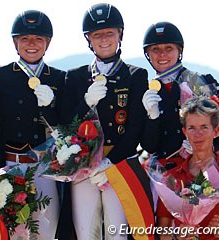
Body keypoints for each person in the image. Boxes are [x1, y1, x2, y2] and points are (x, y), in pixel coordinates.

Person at [60, 3, 156, 239]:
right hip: (83, 167)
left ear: (119, 34)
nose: (104, 39)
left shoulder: (136, 75)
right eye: (97, 35)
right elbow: (63, 123)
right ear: (89, 39)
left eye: (109, 33)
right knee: (86, 233)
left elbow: (134, 128)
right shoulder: (74, 77)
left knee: (117, 233)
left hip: (120, 164)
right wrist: (85, 103)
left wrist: (109, 163)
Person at [0, 10, 65, 240]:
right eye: (25, 39)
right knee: (11, 234)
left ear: (47, 43)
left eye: (38, 39)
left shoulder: (59, 78)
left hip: (45, 170)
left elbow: (65, 131)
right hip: (8, 166)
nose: (31, 44)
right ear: (15, 42)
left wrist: (51, 107)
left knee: (45, 232)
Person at [142, 21, 219, 168]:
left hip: (204, 168)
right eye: (155, 49)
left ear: (179, 51)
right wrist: (152, 118)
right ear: (148, 54)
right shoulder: (146, 92)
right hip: (164, 172)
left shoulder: (203, 82)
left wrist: (206, 143)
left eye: (168, 48)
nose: (162, 54)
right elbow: (149, 145)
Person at [156, 96, 219, 240]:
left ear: (216, 131)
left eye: (204, 127)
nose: (198, 134)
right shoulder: (171, 178)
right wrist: (175, 236)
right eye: (191, 128)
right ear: (185, 132)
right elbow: (162, 233)